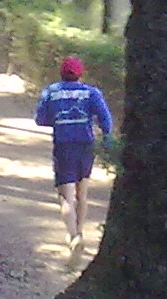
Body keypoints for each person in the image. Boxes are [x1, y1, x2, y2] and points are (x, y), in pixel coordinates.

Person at [32, 55, 112, 254]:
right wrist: (107, 139)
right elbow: (105, 119)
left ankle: (73, 236)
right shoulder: (92, 92)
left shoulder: (51, 91)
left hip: (64, 146)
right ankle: (80, 232)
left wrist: (58, 120)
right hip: (86, 145)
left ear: (61, 72)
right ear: (80, 73)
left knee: (66, 196)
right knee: (82, 193)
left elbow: (40, 119)